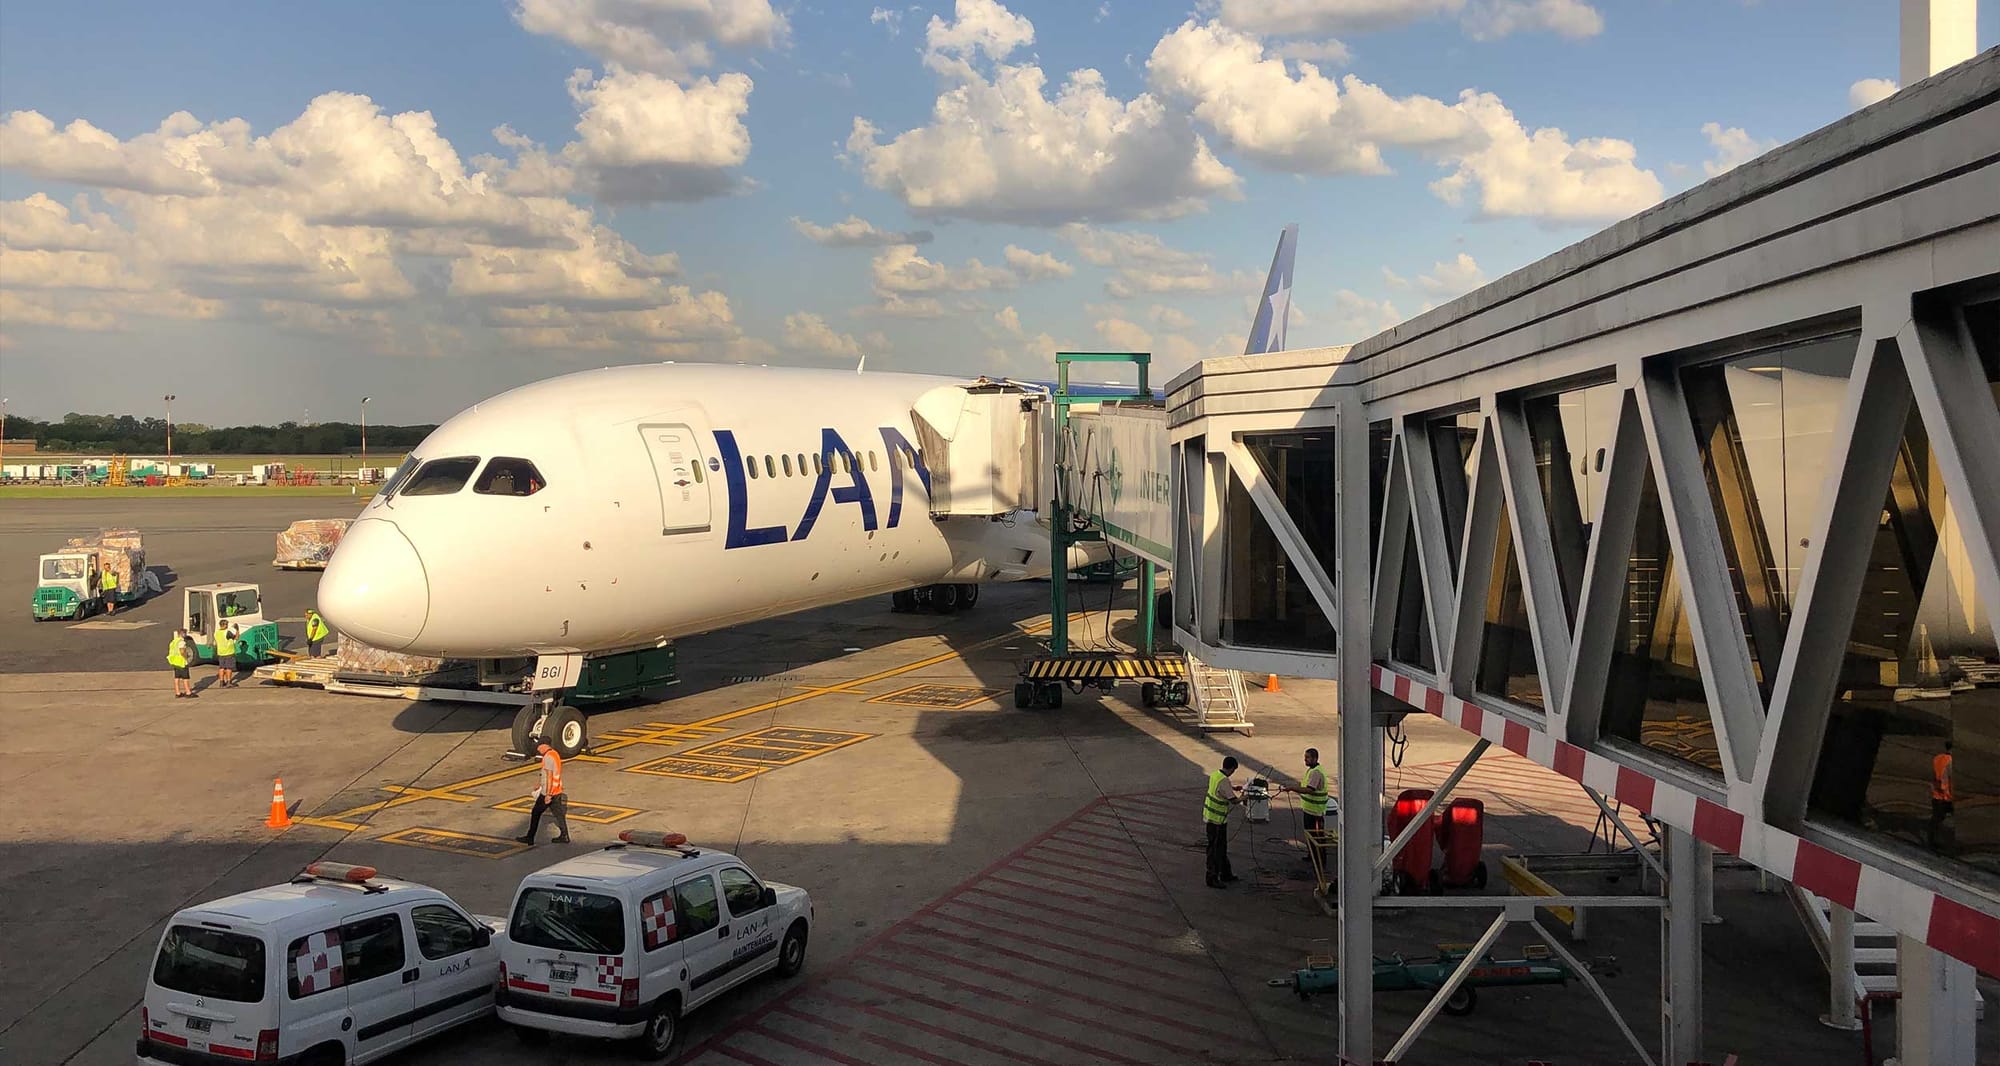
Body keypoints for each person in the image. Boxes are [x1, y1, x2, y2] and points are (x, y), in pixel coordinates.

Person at [516, 742, 571, 845]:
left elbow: (549, 776)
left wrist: (548, 794)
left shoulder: (548, 757)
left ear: (544, 745)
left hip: (548, 792)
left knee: (536, 813)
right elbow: (548, 774)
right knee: (559, 814)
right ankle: (565, 835)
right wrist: (540, 784)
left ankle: (530, 837)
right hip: (557, 790)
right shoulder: (554, 754)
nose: (538, 750)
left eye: (539, 747)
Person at [1203, 756, 1242, 888]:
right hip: (1217, 821)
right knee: (1215, 850)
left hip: (1211, 817)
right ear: (1231, 768)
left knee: (1221, 848)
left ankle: (1226, 873)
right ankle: (1212, 877)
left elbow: (1221, 791)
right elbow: (1234, 801)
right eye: (1233, 771)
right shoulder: (1224, 781)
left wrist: (1233, 788)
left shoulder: (1215, 775)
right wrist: (1246, 796)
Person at [1288, 747, 1332, 833]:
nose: (1305, 760)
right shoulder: (1312, 770)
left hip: (1315, 811)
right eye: (1305, 757)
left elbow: (1309, 789)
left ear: (1315, 758)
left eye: (1307, 757)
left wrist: (1292, 788)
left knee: (1314, 836)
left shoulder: (1316, 772)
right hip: (1310, 810)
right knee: (1311, 835)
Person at [1930, 740, 1955, 851]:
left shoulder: (1937, 758)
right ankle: (1940, 843)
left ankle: (1932, 841)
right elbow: (1948, 777)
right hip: (1947, 796)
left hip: (1936, 793)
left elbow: (1934, 775)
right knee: (1943, 819)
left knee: (1936, 819)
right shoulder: (1951, 761)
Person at [167, 629, 196, 698]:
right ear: (183, 634)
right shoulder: (181, 642)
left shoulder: (174, 642)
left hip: (175, 661)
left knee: (177, 677)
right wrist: (186, 656)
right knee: (185, 678)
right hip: (181, 662)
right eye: (185, 634)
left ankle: (178, 692)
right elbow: (182, 651)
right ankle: (188, 692)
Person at [215, 623, 238, 688]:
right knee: (229, 668)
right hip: (228, 652)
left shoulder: (217, 633)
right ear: (225, 625)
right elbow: (236, 638)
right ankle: (229, 682)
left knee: (221, 668)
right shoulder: (227, 632)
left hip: (220, 652)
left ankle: (221, 682)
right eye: (227, 624)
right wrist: (237, 630)